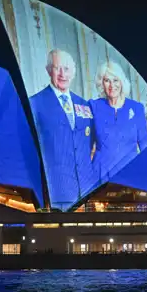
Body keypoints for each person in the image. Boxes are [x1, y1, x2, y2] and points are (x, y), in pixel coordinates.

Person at [29, 49, 96, 210]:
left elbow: (92, 143)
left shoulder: (85, 105)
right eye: (56, 68)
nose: (62, 74)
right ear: (48, 70)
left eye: (66, 69)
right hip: (56, 193)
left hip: (87, 193)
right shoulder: (35, 103)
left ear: (73, 72)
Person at [89, 60, 147, 178]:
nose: (112, 85)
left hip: (130, 176)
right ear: (102, 84)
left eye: (115, 80)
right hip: (100, 177)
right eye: (107, 81)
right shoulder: (93, 106)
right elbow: (87, 145)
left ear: (122, 82)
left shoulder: (136, 108)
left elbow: (144, 146)